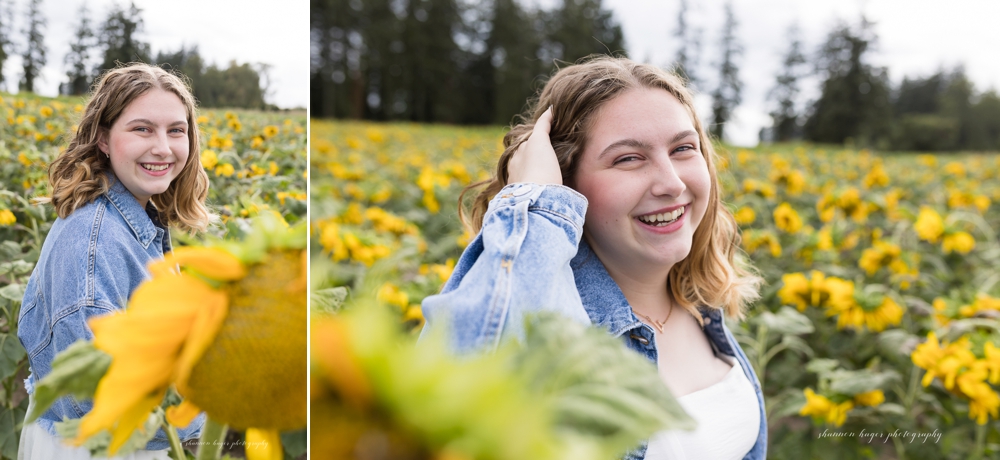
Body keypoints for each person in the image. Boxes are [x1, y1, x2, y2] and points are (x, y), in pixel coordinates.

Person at [420, 56, 767, 459]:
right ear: (564, 181)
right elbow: (450, 386)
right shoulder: (550, 326)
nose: (672, 183)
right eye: (628, 158)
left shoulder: (701, 306)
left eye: (683, 148)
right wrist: (537, 207)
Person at [17, 64, 210, 460]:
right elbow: (96, 403)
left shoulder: (130, 213)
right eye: (142, 129)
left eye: (176, 130)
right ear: (104, 138)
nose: (163, 147)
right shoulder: (95, 242)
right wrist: (220, 414)